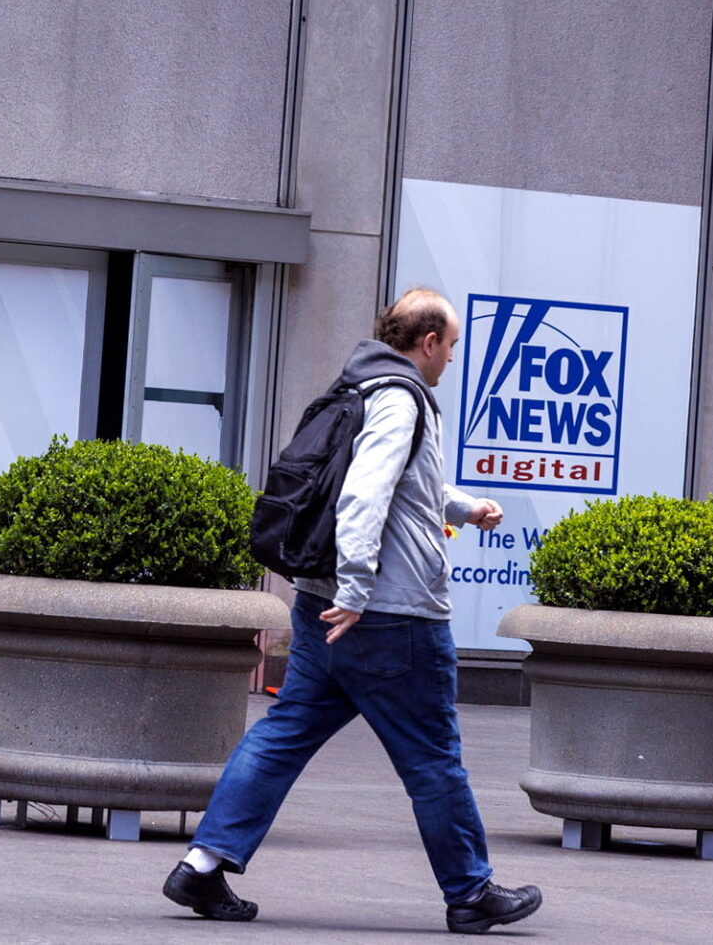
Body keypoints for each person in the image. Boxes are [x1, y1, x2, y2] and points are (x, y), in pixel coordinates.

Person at [164, 288, 543, 934]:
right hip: (388, 617)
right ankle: (470, 890)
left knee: (283, 735)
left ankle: (202, 862)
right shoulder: (402, 399)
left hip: (322, 610)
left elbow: (402, 484)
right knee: (432, 755)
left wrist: (462, 508)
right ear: (427, 342)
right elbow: (364, 495)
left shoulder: (362, 385)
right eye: (450, 344)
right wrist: (358, 589)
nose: (452, 357)